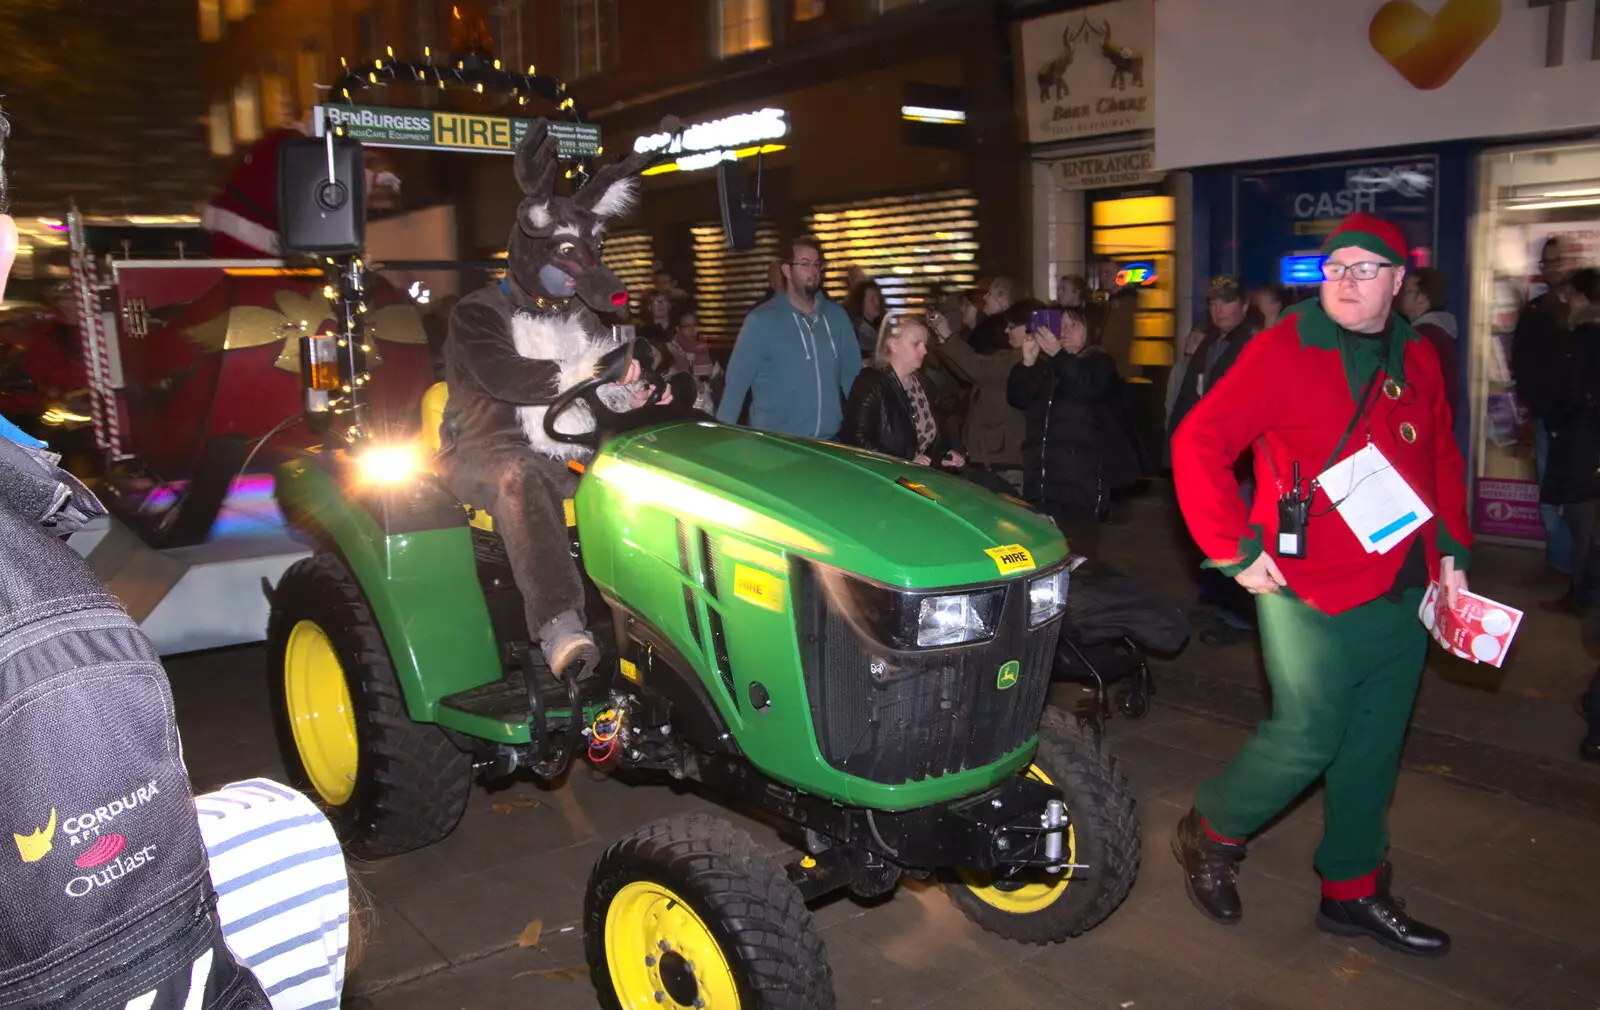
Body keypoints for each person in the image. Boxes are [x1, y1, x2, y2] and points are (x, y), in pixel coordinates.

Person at [1170, 212, 1470, 957]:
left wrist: (1452, 555)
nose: (1346, 280)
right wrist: (1235, 549)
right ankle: (1210, 829)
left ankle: (1353, 890)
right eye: (1336, 268)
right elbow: (1198, 441)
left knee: (1374, 746)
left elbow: (1442, 459)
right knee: (1308, 734)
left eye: (1366, 269)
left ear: (1399, 283)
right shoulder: (1284, 349)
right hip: (1307, 587)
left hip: (1404, 586)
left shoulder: (1421, 356)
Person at [442, 121, 668, 679]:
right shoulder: (476, 314)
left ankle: (657, 613)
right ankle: (559, 625)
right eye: (569, 256)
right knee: (521, 474)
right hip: (484, 449)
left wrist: (643, 369)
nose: (578, 274)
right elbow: (509, 377)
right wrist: (591, 370)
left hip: (565, 445)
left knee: (641, 468)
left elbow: (617, 351)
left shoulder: (577, 313)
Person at [1006, 301, 1129, 561]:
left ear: (1090, 330)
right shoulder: (1048, 368)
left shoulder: (1099, 362)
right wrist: (1027, 363)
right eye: (1061, 326)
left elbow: (1088, 388)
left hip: (1080, 486)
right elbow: (1017, 398)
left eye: (1075, 325)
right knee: (1044, 561)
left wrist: (1059, 355)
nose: (1067, 331)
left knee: (1079, 560)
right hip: (1042, 482)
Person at [716, 235, 860, 439]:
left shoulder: (837, 317)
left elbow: (853, 379)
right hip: (777, 444)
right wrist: (722, 440)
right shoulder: (761, 321)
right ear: (786, 270)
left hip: (829, 442)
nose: (813, 271)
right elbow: (736, 385)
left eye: (816, 264)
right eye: (804, 264)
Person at [1514, 236, 1579, 587]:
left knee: (1581, 496)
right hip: (1548, 417)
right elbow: (1522, 362)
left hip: (1584, 421)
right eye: (1547, 262)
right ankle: (1560, 564)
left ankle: (1579, 571)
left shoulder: (1588, 307)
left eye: (1558, 260)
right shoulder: (1537, 310)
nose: (1553, 268)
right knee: (1551, 494)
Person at [841, 314, 965, 470]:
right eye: (916, 344)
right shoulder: (871, 383)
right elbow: (856, 440)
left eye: (925, 344)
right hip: (883, 480)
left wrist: (941, 458)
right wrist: (903, 461)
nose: (925, 351)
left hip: (916, 480)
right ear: (893, 345)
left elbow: (927, 445)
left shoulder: (925, 385)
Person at [929, 296, 1025, 494]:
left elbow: (978, 368)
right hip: (991, 456)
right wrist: (944, 341)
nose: (1007, 331)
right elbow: (968, 372)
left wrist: (948, 337)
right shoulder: (1011, 357)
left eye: (1012, 325)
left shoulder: (1019, 362)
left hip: (1002, 461)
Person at [1398, 267, 1460, 422]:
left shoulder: (1423, 335)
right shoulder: (1438, 331)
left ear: (1423, 299)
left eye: (1408, 290)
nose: (1402, 295)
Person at [659, 303, 721, 414]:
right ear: (678, 328)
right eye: (687, 327)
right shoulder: (668, 352)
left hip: (707, 412)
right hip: (678, 413)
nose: (692, 330)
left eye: (695, 325)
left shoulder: (707, 351)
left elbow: (718, 389)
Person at [969, 276, 1020, 354]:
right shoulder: (1018, 325)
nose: (984, 297)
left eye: (989, 293)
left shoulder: (990, 328)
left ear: (1002, 297)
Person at [844, 277, 886, 361]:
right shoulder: (856, 333)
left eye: (878, 299)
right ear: (860, 303)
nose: (877, 304)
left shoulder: (881, 327)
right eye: (872, 300)